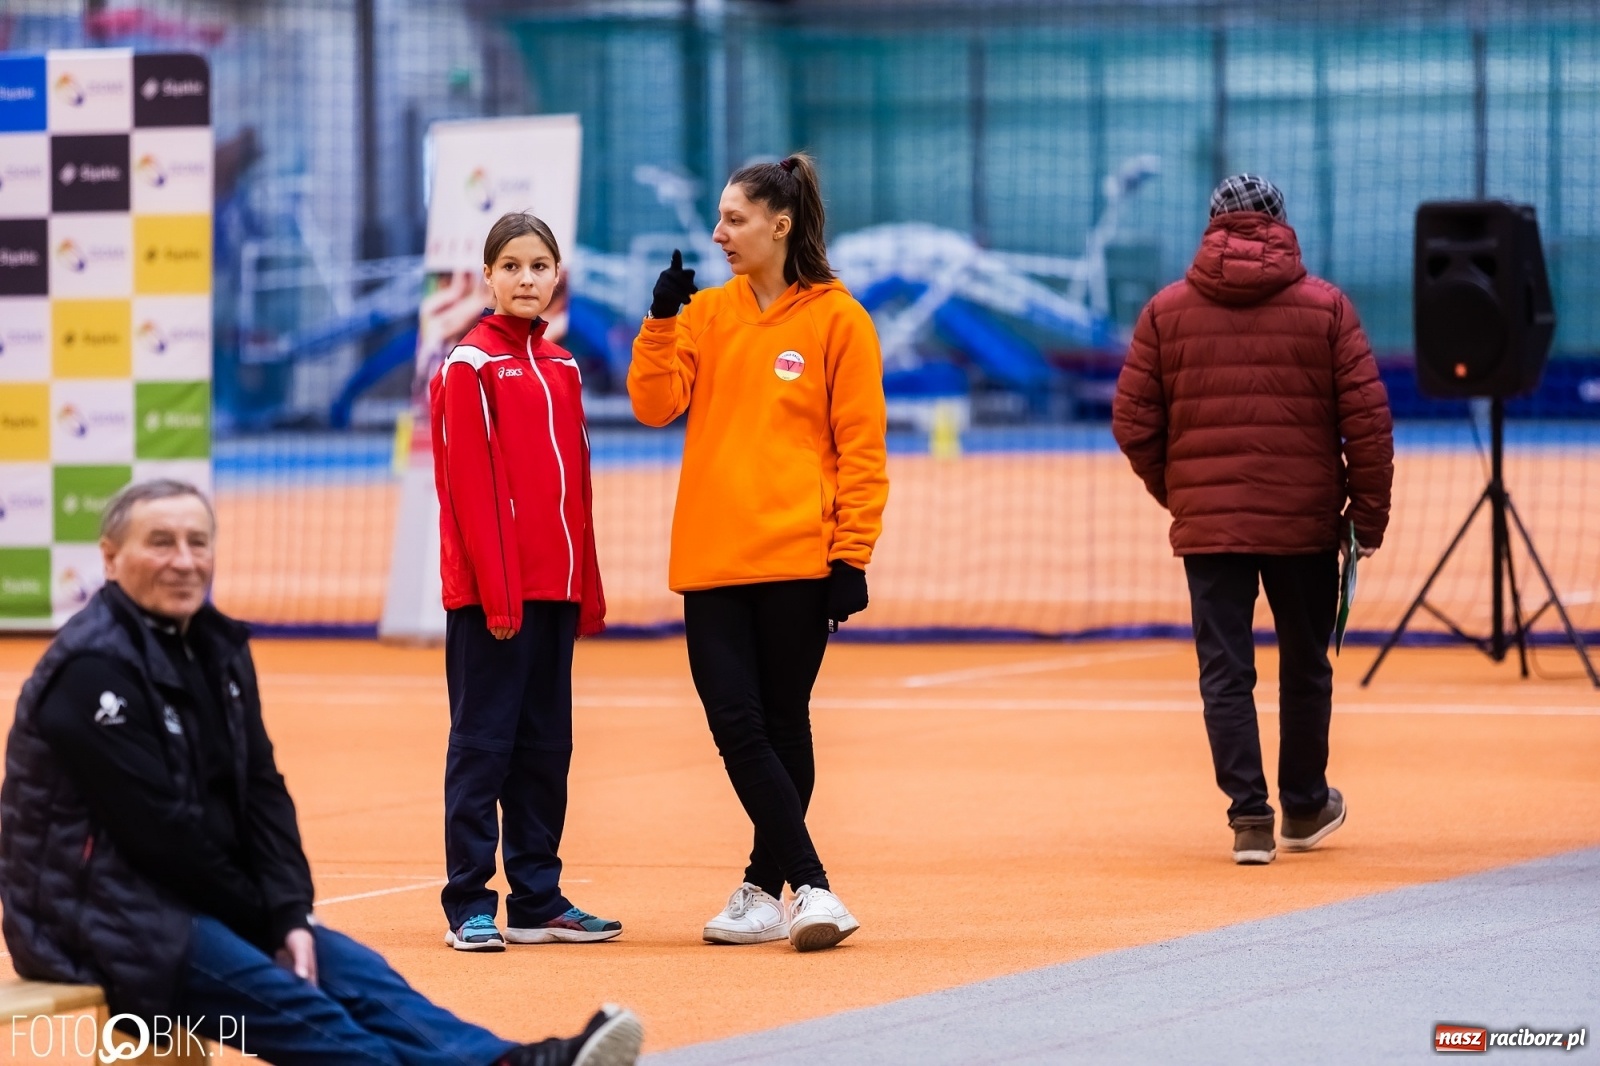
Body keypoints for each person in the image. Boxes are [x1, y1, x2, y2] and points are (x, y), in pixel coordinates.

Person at [0, 479, 644, 1066]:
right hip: (89, 919)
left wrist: (289, 911)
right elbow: (158, 834)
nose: (184, 559)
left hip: (188, 899)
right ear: (111, 558)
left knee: (359, 976)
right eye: (161, 542)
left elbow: (263, 794)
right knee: (322, 1024)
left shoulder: (217, 647)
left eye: (198, 542)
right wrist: (268, 919)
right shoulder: (90, 672)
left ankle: (505, 1062)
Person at [628, 153, 888, 952]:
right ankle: (811, 886)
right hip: (711, 558)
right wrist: (660, 319)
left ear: (780, 225)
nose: (718, 233)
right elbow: (654, 405)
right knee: (737, 726)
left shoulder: (839, 320)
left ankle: (760, 891)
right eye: (719, 218)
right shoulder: (705, 314)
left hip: (798, 561)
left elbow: (862, 448)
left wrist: (851, 556)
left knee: (781, 723)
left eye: (734, 219)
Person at [1111, 174, 1394, 866]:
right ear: (1281, 223)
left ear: (1212, 226)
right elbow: (1369, 425)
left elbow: (1132, 423)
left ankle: (1249, 821)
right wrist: (1367, 517)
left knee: (1225, 673)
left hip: (1210, 529)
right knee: (1306, 666)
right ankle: (1305, 806)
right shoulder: (1327, 307)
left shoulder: (1164, 312)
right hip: (1305, 524)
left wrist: (1184, 493)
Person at [430, 212, 617, 951]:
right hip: (492, 600)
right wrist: (498, 593)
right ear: (487, 278)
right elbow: (470, 491)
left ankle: (538, 899)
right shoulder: (469, 364)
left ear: (557, 275)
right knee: (484, 747)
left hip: (553, 593)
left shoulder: (564, 366)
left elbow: (577, 491)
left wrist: (584, 591)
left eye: (539, 266)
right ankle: (469, 904)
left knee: (545, 749)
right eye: (511, 266)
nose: (526, 279)